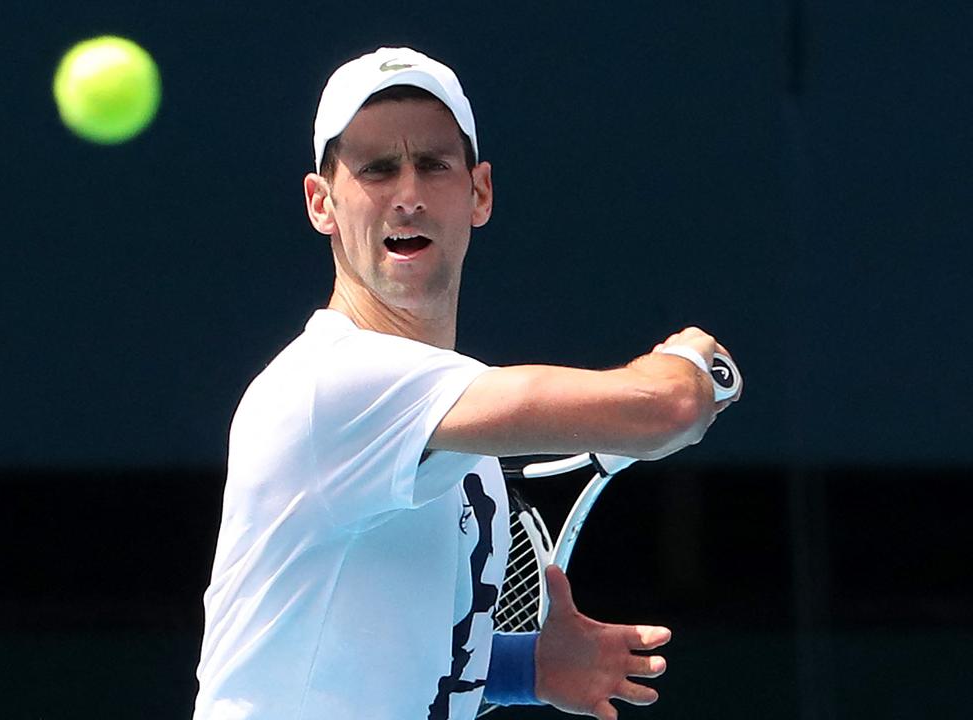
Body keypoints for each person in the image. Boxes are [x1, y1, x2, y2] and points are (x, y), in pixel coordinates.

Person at [193, 46, 739, 720]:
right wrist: (694, 366)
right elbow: (668, 410)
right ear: (321, 202)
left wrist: (526, 667)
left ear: (478, 191)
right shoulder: (330, 384)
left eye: (433, 165)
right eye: (377, 170)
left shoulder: (462, 448)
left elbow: (395, 668)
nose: (409, 196)